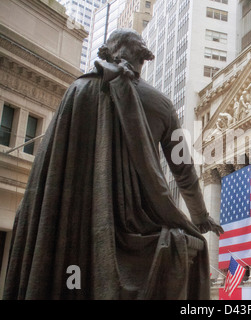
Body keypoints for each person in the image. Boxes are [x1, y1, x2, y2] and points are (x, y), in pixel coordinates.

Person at [3, 29, 223, 300]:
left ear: (108, 52)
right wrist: (200, 217)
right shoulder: (162, 105)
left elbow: (48, 169)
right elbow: (183, 169)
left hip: (76, 220)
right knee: (195, 245)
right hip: (139, 225)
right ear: (142, 59)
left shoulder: (78, 90)